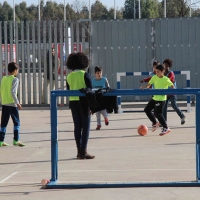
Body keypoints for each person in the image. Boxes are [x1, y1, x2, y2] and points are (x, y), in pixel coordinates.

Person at [66, 52, 95, 159]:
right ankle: (84, 151)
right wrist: (92, 106)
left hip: (73, 102)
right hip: (84, 102)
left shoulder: (69, 76)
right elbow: (91, 90)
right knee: (86, 127)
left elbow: (69, 89)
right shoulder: (85, 74)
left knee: (77, 127)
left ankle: (79, 151)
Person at [140, 64, 174, 136]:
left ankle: (166, 127)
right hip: (155, 98)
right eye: (156, 71)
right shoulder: (154, 77)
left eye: (158, 71)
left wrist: (172, 90)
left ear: (162, 71)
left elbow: (172, 86)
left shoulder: (166, 79)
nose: (157, 73)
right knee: (147, 109)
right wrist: (144, 87)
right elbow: (149, 84)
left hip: (161, 99)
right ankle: (155, 123)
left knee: (158, 113)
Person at [0, 62, 25, 147]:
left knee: (3, 122)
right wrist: (17, 103)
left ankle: (1, 141)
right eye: (17, 70)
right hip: (12, 104)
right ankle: (16, 140)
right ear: (15, 70)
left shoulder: (3, 78)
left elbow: (2, 90)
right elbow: (13, 92)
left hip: (4, 103)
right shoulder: (15, 79)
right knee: (16, 122)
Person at [162, 58, 186, 125]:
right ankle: (164, 122)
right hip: (166, 93)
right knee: (164, 107)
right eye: (164, 65)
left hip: (172, 92)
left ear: (169, 67)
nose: (165, 67)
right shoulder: (162, 73)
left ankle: (182, 116)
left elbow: (169, 80)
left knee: (174, 105)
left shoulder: (171, 73)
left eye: (167, 66)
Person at [92, 66, 110, 130]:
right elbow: (92, 89)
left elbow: (108, 87)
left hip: (102, 97)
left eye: (100, 72)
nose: (99, 74)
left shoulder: (104, 79)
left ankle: (106, 118)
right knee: (97, 113)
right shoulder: (93, 81)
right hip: (96, 98)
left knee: (103, 110)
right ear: (95, 73)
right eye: (97, 73)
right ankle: (98, 124)